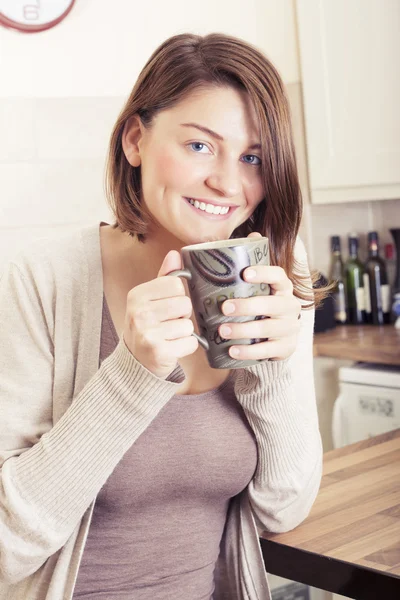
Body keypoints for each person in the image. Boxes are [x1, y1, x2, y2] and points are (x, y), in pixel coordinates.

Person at [0, 32, 324, 600]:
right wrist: (131, 375)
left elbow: (283, 508)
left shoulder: (275, 279)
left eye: (253, 158)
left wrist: (273, 365)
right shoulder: (41, 279)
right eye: (200, 146)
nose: (228, 183)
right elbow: (6, 547)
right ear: (134, 140)